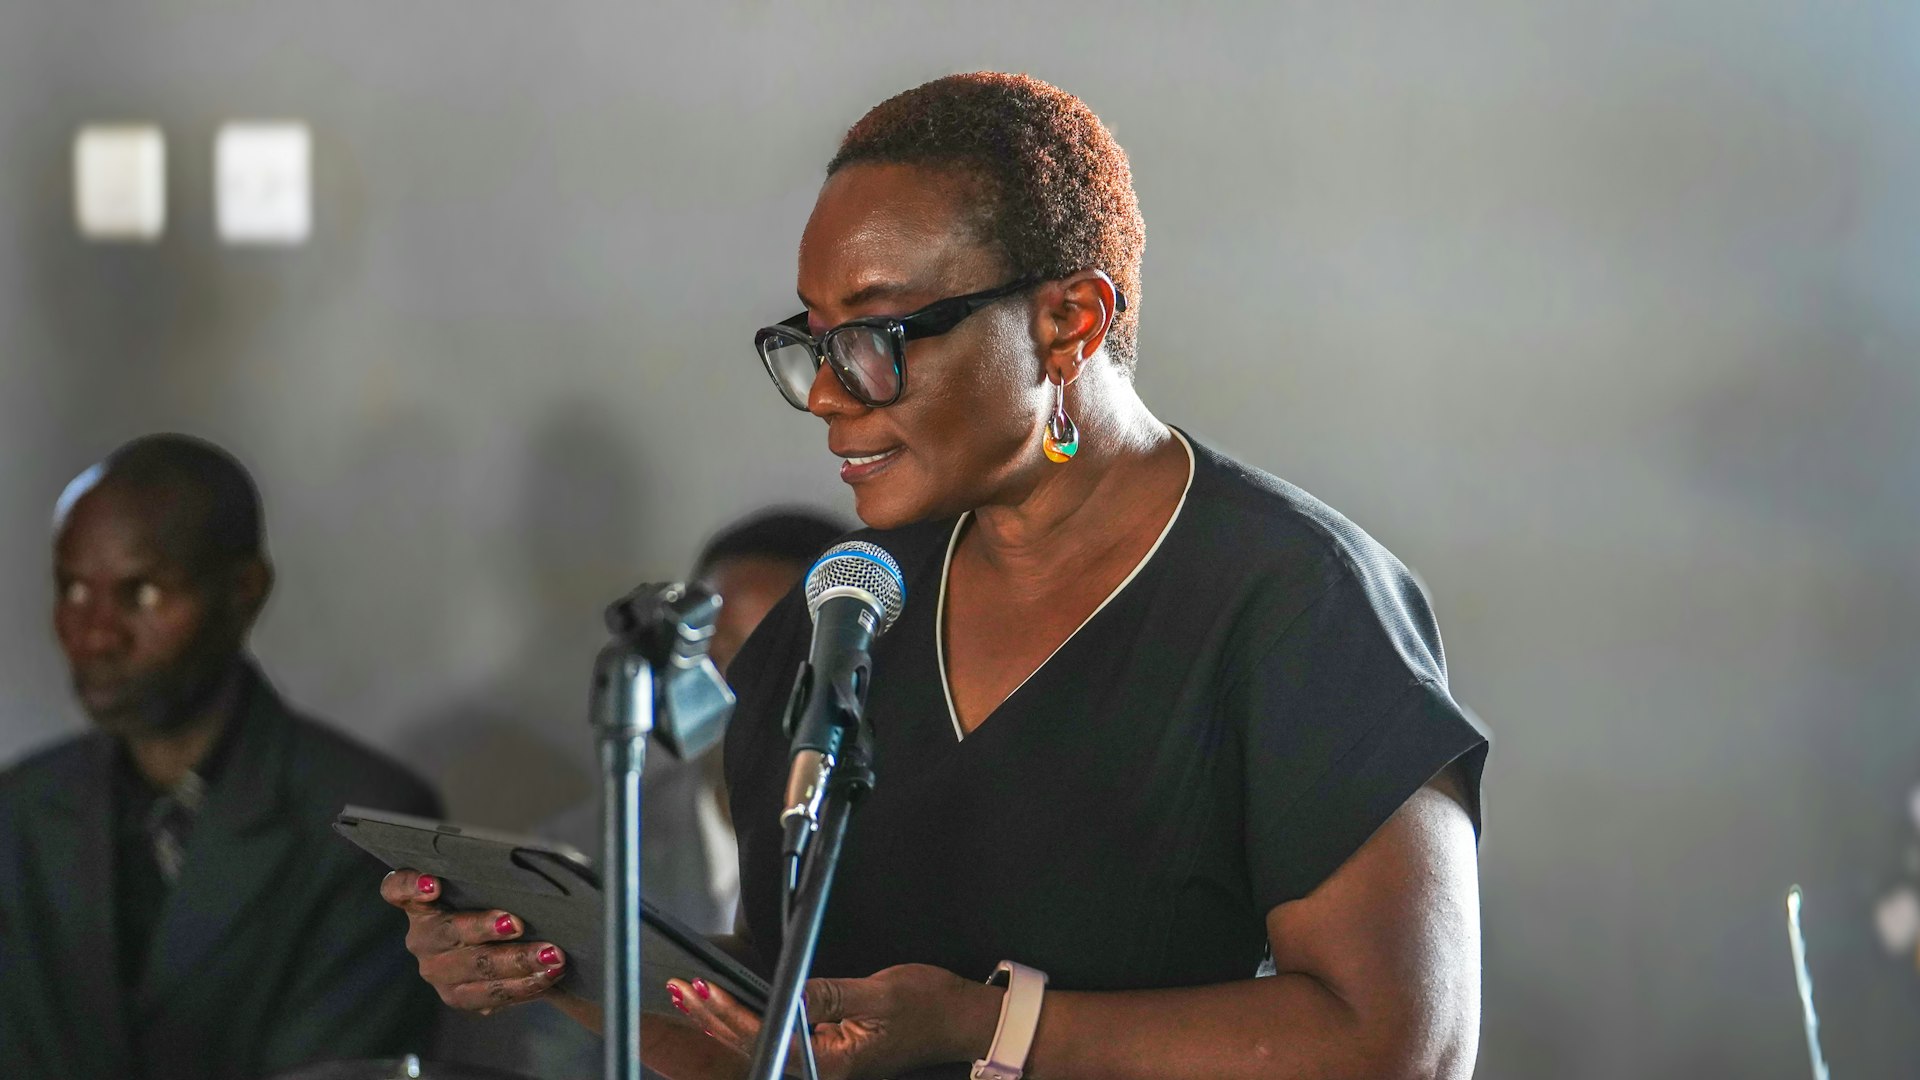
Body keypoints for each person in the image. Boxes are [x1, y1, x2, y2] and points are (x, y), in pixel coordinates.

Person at [389, 72, 1490, 1080]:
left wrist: (989, 1028)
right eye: (811, 341)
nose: (827, 392)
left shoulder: (1293, 601)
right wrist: (577, 966)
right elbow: (793, 1034)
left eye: (873, 335)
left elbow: (1403, 1042)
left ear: (1069, 323)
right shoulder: (844, 610)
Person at [0, 433, 442, 1080]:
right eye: (71, 589)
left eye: (142, 593)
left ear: (244, 590)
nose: (94, 632)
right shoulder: (20, 811)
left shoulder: (371, 826)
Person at [500, 507, 848, 1080]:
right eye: (717, 653)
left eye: (774, 661)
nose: (737, 688)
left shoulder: (895, 859)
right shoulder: (583, 853)